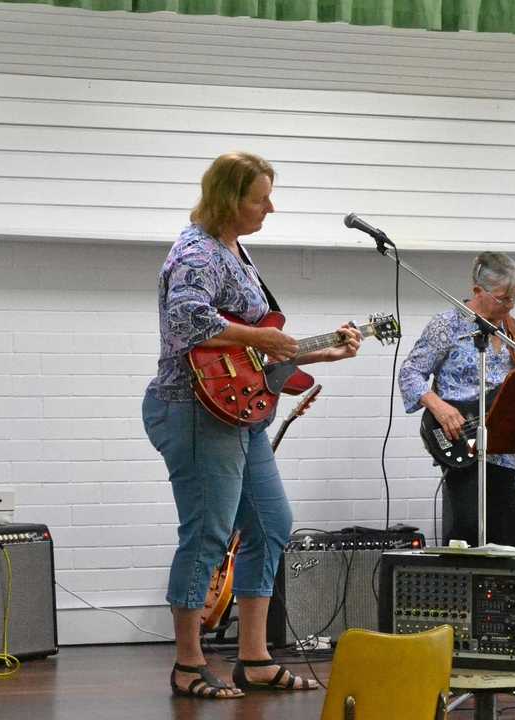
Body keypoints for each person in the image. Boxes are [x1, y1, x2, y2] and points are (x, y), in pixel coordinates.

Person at [142, 152, 365, 699]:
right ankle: (188, 664)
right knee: (207, 534)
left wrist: (315, 355)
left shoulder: (237, 254)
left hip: (236, 412)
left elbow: (247, 359)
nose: (271, 206)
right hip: (193, 411)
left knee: (270, 527)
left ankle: (256, 658)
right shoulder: (197, 252)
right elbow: (186, 320)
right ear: (227, 199)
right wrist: (263, 339)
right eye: (259, 197)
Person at [398, 252, 515, 545]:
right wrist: (439, 407)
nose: (510, 305)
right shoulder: (447, 325)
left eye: (514, 298)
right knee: (467, 526)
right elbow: (410, 373)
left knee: (499, 531)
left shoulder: (512, 329)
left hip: (502, 448)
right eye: (503, 298)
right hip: (458, 438)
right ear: (477, 291)